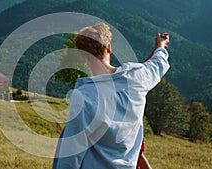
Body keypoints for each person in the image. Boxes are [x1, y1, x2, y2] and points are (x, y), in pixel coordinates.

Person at [53, 22, 170, 169]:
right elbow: (157, 64)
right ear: (109, 48)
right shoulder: (137, 77)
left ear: (82, 56)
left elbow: (71, 154)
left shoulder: (84, 96)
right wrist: (160, 46)